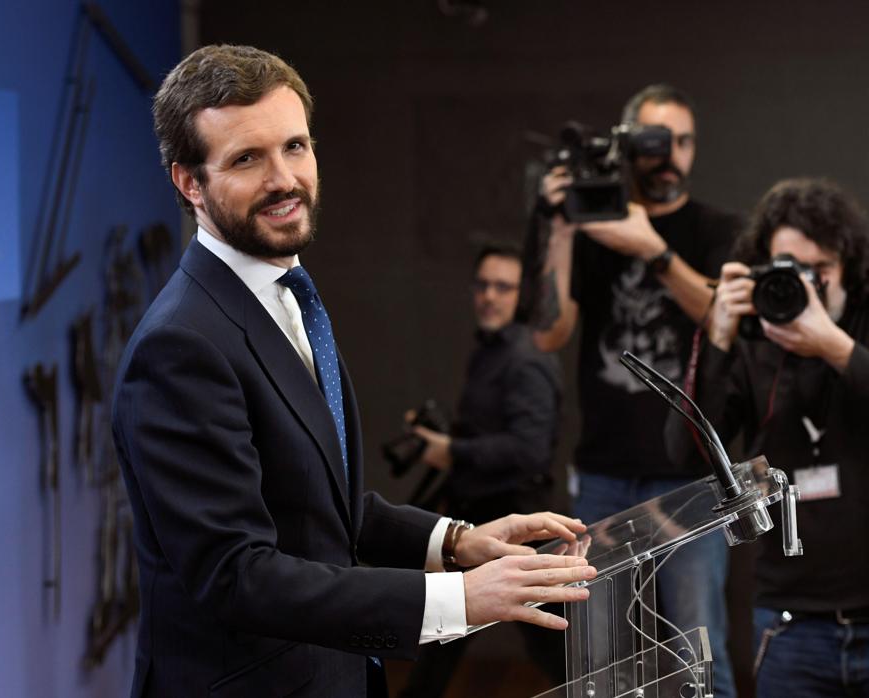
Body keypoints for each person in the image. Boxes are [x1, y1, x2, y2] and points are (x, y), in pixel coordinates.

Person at [111, 44, 595, 698]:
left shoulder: (290, 293)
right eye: (248, 159)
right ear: (190, 183)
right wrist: (456, 597)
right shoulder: (178, 347)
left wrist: (457, 542)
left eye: (295, 147)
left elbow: (322, 507)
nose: (285, 178)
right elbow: (237, 575)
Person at [667, 177, 869, 696]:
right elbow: (683, 455)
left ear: (847, 265)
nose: (805, 285)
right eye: (789, 270)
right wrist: (716, 337)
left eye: (819, 270)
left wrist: (835, 347)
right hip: (792, 624)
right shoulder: (752, 339)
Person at [526, 84, 742, 697]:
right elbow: (549, 334)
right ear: (626, 147)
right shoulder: (590, 228)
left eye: (682, 140)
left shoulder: (716, 229)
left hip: (689, 475)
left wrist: (652, 248)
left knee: (702, 647)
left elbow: (721, 317)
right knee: (597, 653)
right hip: (602, 474)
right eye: (653, 140)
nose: (668, 153)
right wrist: (563, 229)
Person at [399, 241, 565, 696]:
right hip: (484, 519)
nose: (490, 296)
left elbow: (530, 450)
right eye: (483, 285)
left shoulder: (527, 358)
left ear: (522, 295)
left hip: (516, 521)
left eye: (503, 287)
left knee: (552, 647)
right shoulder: (492, 349)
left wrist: (455, 451)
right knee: (446, 635)